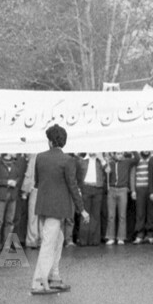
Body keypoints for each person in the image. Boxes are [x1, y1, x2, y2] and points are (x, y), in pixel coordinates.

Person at [30, 125, 87, 294]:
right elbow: (73, 186)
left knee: (58, 239)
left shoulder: (40, 158)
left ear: (49, 141)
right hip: (58, 209)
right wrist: (82, 209)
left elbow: (37, 182)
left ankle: (53, 277)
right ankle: (38, 282)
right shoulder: (68, 160)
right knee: (49, 243)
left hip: (43, 206)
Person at [75, 151, 107, 247]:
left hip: (98, 188)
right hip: (86, 188)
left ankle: (95, 240)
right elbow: (77, 177)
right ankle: (83, 240)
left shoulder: (100, 161)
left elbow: (109, 170)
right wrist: (79, 189)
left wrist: (102, 159)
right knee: (85, 214)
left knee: (95, 214)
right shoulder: (81, 161)